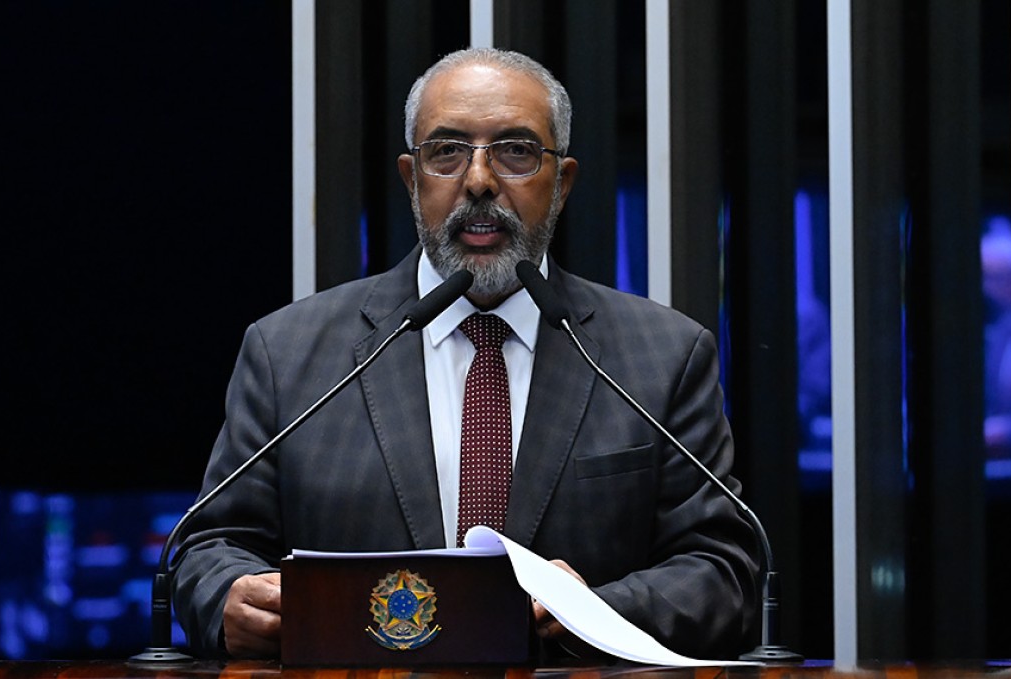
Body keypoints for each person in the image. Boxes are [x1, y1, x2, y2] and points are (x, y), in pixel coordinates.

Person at [172, 47, 759, 661]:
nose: (479, 181)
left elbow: (724, 568)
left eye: (516, 151)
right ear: (411, 178)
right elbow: (209, 547)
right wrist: (226, 597)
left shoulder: (662, 357)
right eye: (447, 152)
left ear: (562, 183)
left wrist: (590, 612)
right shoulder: (290, 353)